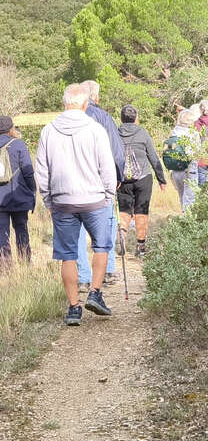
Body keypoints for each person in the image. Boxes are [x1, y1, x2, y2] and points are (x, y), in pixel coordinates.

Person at [35, 84, 116, 326]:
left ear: (64, 103)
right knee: (101, 245)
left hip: (62, 201)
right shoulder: (95, 129)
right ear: (85, 104)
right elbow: (107, 167)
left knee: (67, 254)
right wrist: (109, 195)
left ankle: (73, 308)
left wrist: (49, 199)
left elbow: (41, 170)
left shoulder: (49, 131)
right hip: (94, 199)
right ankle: (95, 292)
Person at [77, 80, 125, 291]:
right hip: (100, 182)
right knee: (106, 225)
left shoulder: (66, 121)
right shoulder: (104, 118)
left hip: (74, 183)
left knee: (76, 230)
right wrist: (118, 178)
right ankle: (107, 270)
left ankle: (83, 276)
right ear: (95, 97)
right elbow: (117, 152)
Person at [117, 105, 166, 257]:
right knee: (141, 211)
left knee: (124, 211)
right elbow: (153, 157)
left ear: (121, 118)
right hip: (143, 178)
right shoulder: (143, 134)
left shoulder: (115, 134)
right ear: (136, 118)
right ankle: (140, 246)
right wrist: (161, 179)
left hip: (123, 180)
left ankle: (122, 241)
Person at [0, 116, 36, 263]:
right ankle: (25, 263)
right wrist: (33, 191)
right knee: (21, 230)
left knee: (2, 234)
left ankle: (5, 268)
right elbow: (28, 172)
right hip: (19, 197)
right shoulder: (18, 144)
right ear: (11, 129)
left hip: (0, 200)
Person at [169, 108, 200, 212]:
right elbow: (197, 151)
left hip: (176, 169)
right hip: (189, 168)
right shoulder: (193, 134)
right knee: (190, 198)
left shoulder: (174, 132)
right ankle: (188, 221)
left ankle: (183, 217)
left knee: (182, 195)